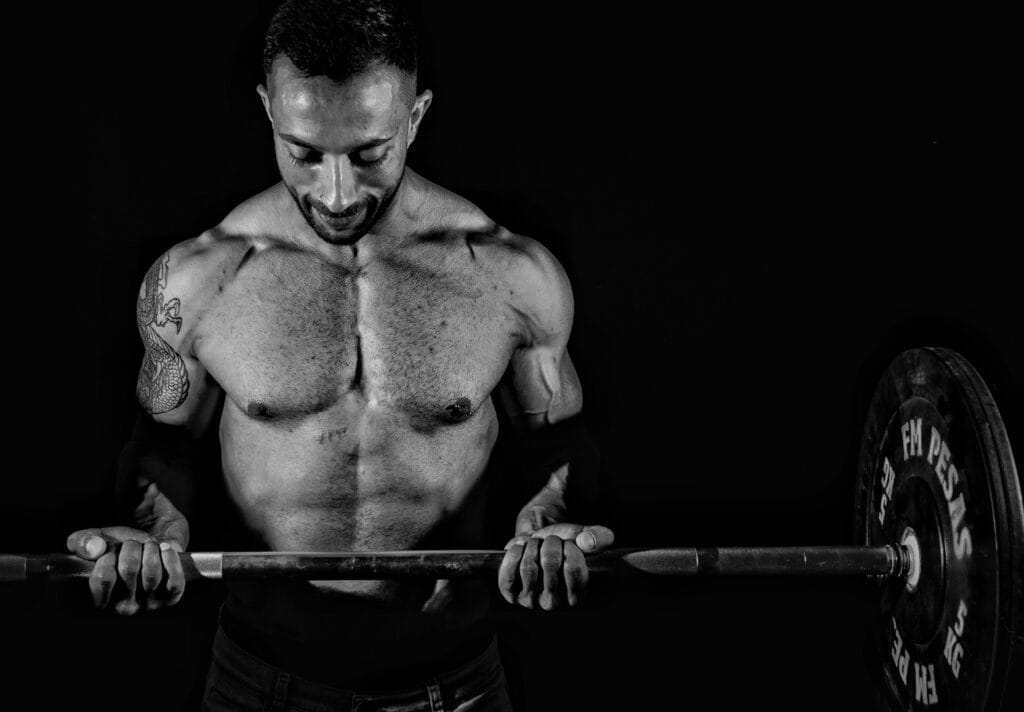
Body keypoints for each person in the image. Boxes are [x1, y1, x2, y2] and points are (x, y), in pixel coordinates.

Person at [66, 1, 613, 710]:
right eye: (303, 153)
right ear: (267, 110)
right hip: (258, 686)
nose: (336, 193)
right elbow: (160, 449)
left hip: (456, 688)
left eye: (369, 154)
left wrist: (545, 525)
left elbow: (556, 444)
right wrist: (150, 533)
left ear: (415, 118)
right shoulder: (197, 279)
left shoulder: (509, 274)